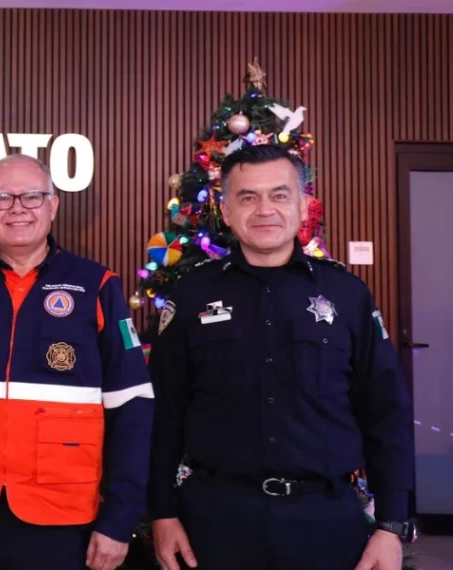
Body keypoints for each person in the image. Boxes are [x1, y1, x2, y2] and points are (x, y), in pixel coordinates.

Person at [147, 143, 416, 570]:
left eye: (279, 194)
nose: (264, 210)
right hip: (215, 521)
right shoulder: (192, 294)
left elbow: (387, 413)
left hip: (325, 523)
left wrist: (391, 525)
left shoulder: (348, 296)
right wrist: (161, 510)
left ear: (303, 206)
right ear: (226, 211)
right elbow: (162, 412)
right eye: (247, 197)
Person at [0, 153, 155, 570]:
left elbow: (132, 407)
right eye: (2, 197)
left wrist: (120, 517)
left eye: (32, 197)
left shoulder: (97, 284)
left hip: (61, 511)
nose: (17, 208)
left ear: (53, 205)